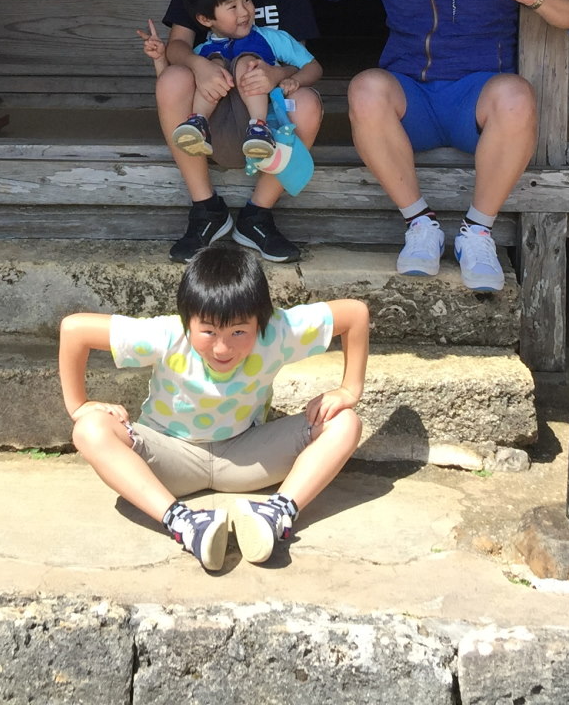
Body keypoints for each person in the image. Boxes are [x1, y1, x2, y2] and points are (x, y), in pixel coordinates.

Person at [310, 0, 569, 293]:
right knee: (365, 87)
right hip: (411, 100)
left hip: (474, 102)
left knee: (516, 96)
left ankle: (477, 232)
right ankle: (421, 224)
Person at [59, 244, 368, 570]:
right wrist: (79, 406)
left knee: (345, 422)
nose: (223, 348)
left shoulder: (278, 331)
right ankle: (183, 523)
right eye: (208, 331)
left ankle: (275, 514)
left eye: (239, 331)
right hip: (168, 460)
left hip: (247, 457)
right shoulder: (166, 334)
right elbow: (74, 330)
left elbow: (355, 314)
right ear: (187, 321)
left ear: (261, 321)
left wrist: (349, 389)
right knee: (90, 429)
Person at [146, 0, 323, 265]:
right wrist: (200, 66)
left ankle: (257, 216)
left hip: (264, 115)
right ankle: (206, 209)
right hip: (209, 106)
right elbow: (177, 46)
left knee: (308, 103)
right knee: (172, 79)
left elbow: (301, 63)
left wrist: (275, 75)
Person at [141, 0, 323, 171]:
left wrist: (293, 79)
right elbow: (172, 92)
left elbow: (314, 67)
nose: (244, 11)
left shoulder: (271, 38)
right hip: (219, 134)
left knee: (247, 63)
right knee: (213, 64)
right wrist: (160, 59)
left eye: (247, 0)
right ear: (206, 19)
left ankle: (259, 127)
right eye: (232, 7)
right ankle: (198, 123)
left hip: (268, 138)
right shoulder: (202, 53)